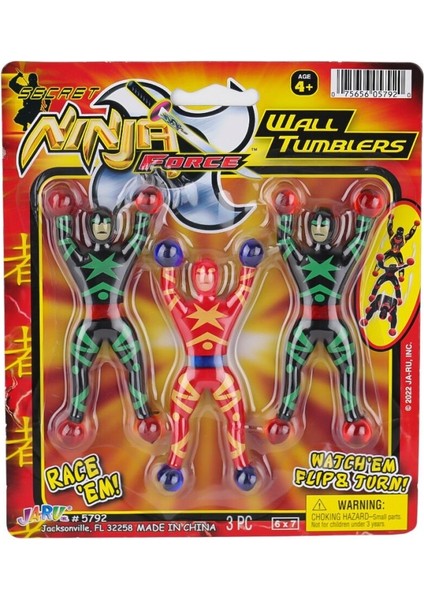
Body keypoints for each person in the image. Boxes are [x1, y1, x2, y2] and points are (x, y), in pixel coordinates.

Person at [266, 185, 385, 448]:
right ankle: (284, 415)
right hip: (309, 325)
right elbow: (284, 241)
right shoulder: (305, 259)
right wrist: (284, 215)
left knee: (348, 369)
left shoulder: (337, 259)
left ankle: (352, 415)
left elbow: (359, 242)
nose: (319, 229)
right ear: (309, 228)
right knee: (292, 368)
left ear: (332, 229)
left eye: (324, 226)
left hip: (330, 325)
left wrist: (365, 219)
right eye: (316, 226)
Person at [47, 183, 162, 448]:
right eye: (97, 225)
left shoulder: (118, 257)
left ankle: (143, 414)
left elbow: (138, 238)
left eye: (105, 225)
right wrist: (62, 219)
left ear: (112, 227)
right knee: (80, 370)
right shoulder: (90, 259)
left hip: (114, 324)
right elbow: (65, 243)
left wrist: (144, 215)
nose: (101, 228)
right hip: (95, 325)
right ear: (89, 228)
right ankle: (76, 418)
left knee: (134, 367)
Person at [154, 238, 263, 492]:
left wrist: (249, 268)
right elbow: (169, 293)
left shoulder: (225, 309)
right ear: (192, 277)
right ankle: (174, 465)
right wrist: (168, 268)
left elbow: (243, 292)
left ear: (217, 278)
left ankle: (242, 465)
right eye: (200, 273)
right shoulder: (187, 309)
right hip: (194, 374)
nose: (204, 277)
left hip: (217, 373)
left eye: (209, 273)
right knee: (179, 419)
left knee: (236, 419)